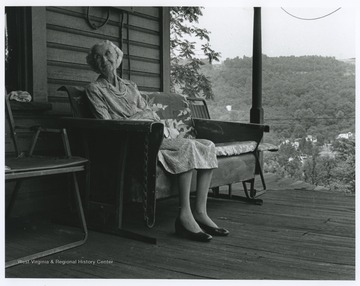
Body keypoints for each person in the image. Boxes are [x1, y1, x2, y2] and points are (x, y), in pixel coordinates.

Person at [85, 40, 229, 242]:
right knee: (187, 145)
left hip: (153, 135)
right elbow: (108, 124)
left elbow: (150, 112)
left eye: (108, 54)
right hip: (131, 142)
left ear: (117, 58)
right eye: (98, 57)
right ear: (93, 62)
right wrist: (140, 117)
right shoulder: (95, 89)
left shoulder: (130, 86)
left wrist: (144, 116)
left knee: (207, 144)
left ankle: (200, 212)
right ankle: (185, 216)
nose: (104, 60)